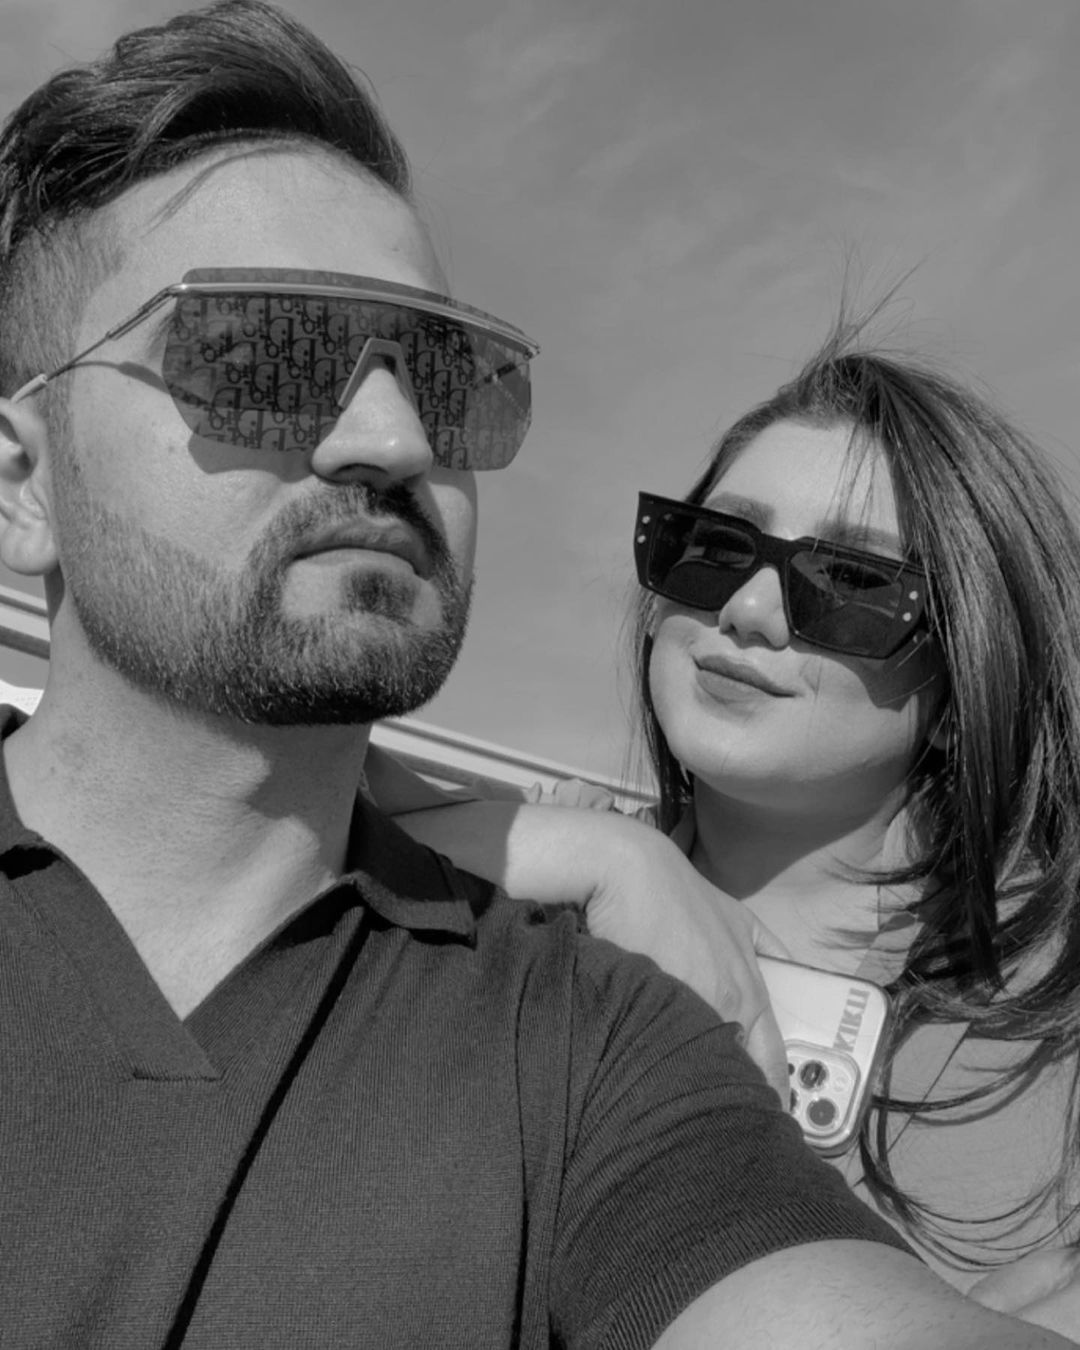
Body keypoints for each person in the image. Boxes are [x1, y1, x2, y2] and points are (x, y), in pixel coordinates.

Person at [3, 2, 1066, 1346]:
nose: (392, 436)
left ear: (972, 667)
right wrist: (598, 851)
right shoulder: (561, 920)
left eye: (446, 381)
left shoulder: (575, 1027)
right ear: (22, 479)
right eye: (260, 355)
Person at [393, 316, 1080, 1339]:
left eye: (851, 583)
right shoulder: (541, 908)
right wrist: (602, 856)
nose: (751, 610)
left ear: (966, 669)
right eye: (716, 550)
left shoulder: (1054, 987)